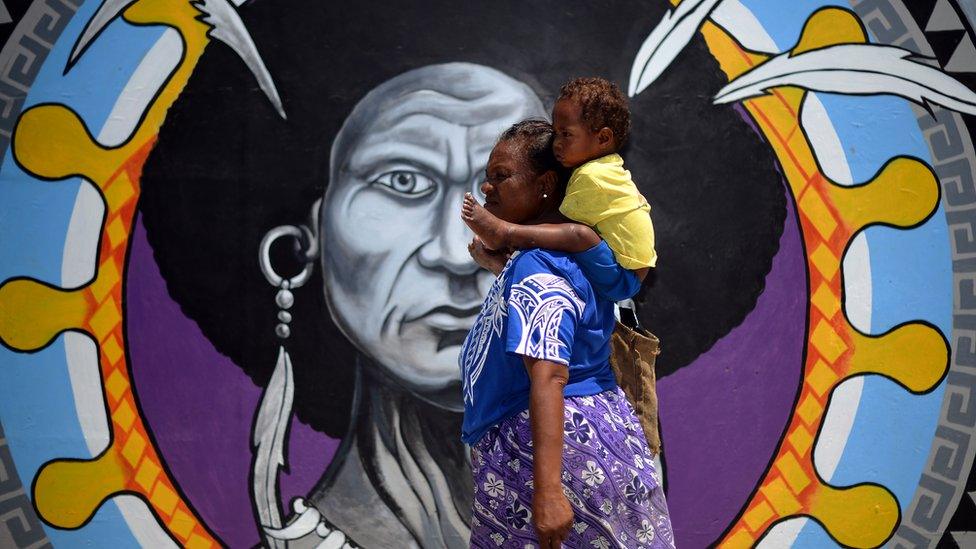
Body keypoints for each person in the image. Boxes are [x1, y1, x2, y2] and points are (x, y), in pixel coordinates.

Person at [459, 120, 674, 548]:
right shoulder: (568, 259)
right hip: (582, 444)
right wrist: (499, 266)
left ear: (544, 184)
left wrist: (550, 492)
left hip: (556, 457)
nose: (487, 188)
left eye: (501, 176)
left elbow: (550, 375)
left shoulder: (537, 267)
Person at [461, 77, 656, 295]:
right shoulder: (605, 169)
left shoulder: (593, 175)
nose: (557, 144)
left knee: (580, 235)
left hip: (624, 276)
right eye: (556, 133)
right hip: (624, 272)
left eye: (566, 134)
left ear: (603, 138)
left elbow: (560, 224)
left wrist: (506, 233)